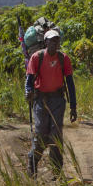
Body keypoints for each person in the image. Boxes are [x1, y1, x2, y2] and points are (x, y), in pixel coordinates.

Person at [24, 28, 77, 177]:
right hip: (41, 100)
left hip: (57, 100)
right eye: (51, 40)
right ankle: (32, 163)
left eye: (56, 40)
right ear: (46, 42)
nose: (54, 43)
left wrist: (73, 106)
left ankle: (56, 170)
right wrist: (28, 92)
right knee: (41, 132)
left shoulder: (64, 59)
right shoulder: (37, 57)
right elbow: (29, 80)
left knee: (56, 134)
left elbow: (70, 84)